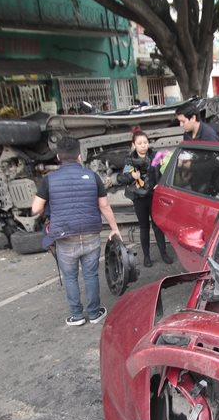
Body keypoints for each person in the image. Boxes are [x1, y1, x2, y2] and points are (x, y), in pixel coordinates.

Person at [30, 137, 122, 326]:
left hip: (65, 237)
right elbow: (104, 206)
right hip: (90, 233)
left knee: (70, 276)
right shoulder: (92, 176)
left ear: (58, 157)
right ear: (79, 156)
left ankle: (77, 316)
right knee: (91, 274)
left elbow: (36, 208)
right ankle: (94, 313)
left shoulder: (49, 180)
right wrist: (114, 228)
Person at [116, 127, 172, 268]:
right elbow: (121, 179)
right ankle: (147, 257)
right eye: (140, 143)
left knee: (158, 226)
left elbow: (165, 171)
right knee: (144, 227)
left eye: (145, 142)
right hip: (139, 198)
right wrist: (131, 176)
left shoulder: (155, 156)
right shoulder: (130, 160)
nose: (143, 146)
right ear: (134, 145)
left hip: (154, 196)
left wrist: (160, 183)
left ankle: (164, 253)